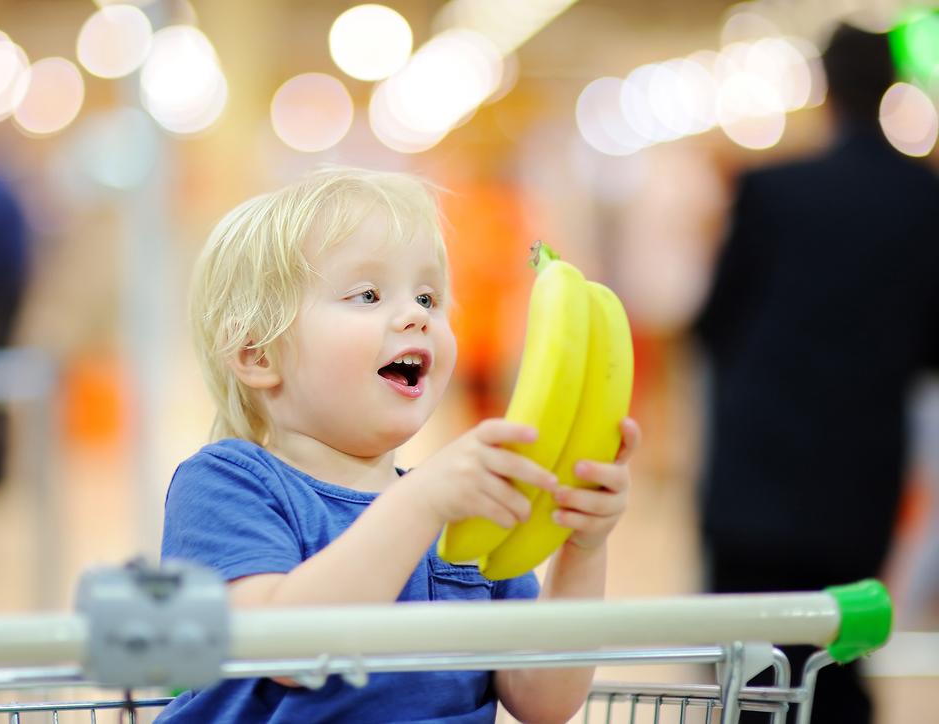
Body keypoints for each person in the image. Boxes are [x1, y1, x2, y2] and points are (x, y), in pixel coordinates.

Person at [158, 166, 640, 723]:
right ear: (257, 354)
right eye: (368, 294)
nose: (416, 315)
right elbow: (283, 647)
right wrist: (421, 504)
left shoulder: (469, 507)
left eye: (430, 297)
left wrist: (583, 547)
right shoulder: (228, 483)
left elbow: (543, 699)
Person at [694, 23, 939, 724]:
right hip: (859, 480)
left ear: (823, 87)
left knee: (750, 666)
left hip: (756, 474)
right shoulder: (926, 201)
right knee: (837, 660)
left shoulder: (771, 193)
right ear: (896, 86)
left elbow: (715, 325)